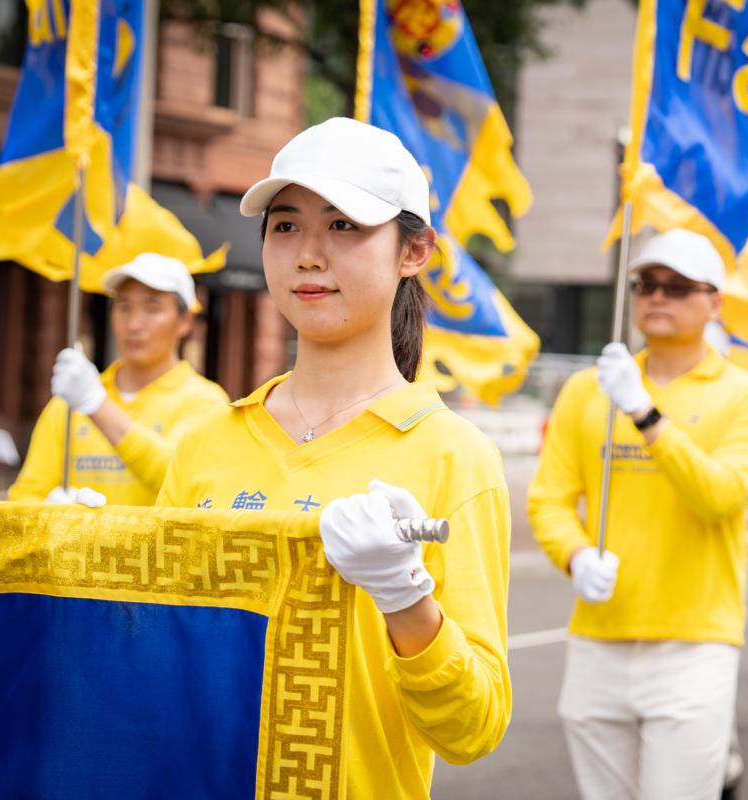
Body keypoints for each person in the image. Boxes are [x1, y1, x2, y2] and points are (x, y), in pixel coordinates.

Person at [153, 118, 512, 799]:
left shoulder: (453, 456)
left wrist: (406, 600)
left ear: (415, 251)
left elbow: (475, 727)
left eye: (344, 225)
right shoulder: (206, 443)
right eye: (285, 226)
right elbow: (157, 658)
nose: (309, 255)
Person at [528, 229, 748, 800]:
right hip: (599, 636)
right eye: (646, 285)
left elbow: (719, 495)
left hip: (694, 643)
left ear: (714, 302)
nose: (657, 297)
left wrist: (644, 412)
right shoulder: (584, 392)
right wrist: (573, 554)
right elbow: (548, 497)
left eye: (678, 287)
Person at [8, 254, 228, 506]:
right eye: (124, 307)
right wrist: (48, 513)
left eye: (152, 308)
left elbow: (183, 479)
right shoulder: (69, 402)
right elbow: (23, 496)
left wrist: (97, 405)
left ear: (185, 321)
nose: (133, 324)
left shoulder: (206, 403)